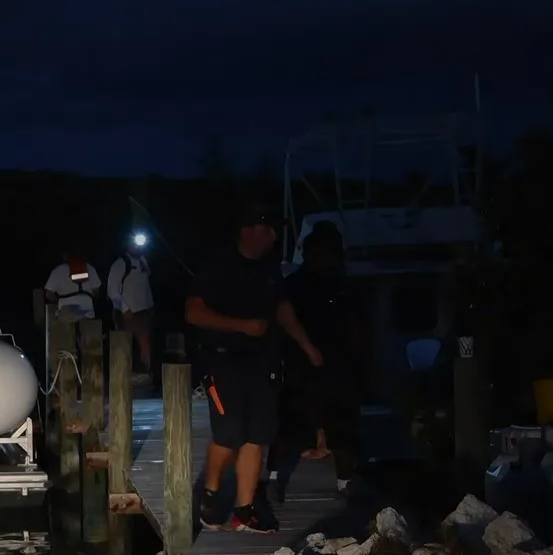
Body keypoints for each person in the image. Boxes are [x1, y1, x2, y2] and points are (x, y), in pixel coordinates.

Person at [186, 203, 322, 533]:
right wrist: (242, 326)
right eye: (268, 229)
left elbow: (283, 310)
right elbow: (194, 313)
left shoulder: (270, 268)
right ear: (248, 229)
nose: (274, 236)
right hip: (223, 361)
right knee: (229, 434)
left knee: (258, 435)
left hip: (264, 363)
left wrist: (307, 346)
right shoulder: (218, 266)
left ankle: (245, 509)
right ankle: (210, 493)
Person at [274, 222, 364, 500]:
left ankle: (344, 484)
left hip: (339, 366)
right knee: (291, 427)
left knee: (343, 427)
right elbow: (282, 322)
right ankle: (272, 480)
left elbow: (356, 326)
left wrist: (362, 362)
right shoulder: (294, 285)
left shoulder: (344, 285)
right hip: (301, 367)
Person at [107, 234, 155, 385]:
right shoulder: (120, 263)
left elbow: (145, 285)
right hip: (126, 312)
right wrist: (124, 308)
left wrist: (150, 305)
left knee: (145, 344)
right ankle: (124, 375)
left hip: (143, 310)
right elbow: (112, 290)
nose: (137, 247)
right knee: (124, 344)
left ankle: (145, 374)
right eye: (134, 244)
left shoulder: (143, 261)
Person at [43, 254, 101, 321]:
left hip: (65, 315)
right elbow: (96, 293)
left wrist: (57, 300)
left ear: (65, 256)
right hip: (87, 314)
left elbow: (49, 294)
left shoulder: (57, 271)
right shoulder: (90, 268)